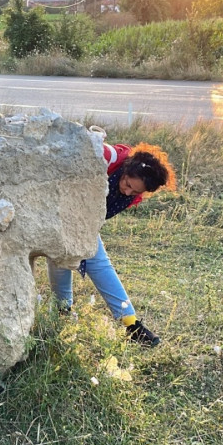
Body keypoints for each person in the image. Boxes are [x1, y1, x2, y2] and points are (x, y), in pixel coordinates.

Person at [47, 140, 177, 346]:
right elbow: (73, 145)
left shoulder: (132, 191)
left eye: (135, 192)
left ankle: (66, 312)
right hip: (58, 203)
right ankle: (131, 325)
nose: (127, 193)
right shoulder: (108, 157)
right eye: (127, 185)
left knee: (81, 258)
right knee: (86, 260)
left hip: (83, 218)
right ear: (126, 170)